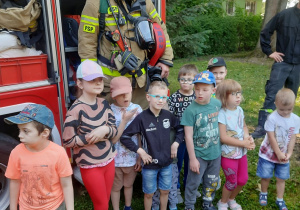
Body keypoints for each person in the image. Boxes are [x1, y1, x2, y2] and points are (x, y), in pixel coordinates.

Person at [78, 0, 174, 109]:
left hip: (140, 83)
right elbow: (87, 43)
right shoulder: (96, 3)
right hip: (112, 87)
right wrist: (91, 78)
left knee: (143, 122)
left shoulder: (145, 2)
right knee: (116, 123)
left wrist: (165, 59)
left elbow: (160, 30)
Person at [62, 60, 118, 210]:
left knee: (105, 202)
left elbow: (114, 129)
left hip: (109, 159)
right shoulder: (75, 110)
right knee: (101, 205)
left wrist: (105, 130)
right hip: (90, 165)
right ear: (80, 84)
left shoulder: (104, 103)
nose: (98, 83)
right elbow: (67, 141)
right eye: (92, 80)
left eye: (100, 80)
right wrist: (90, 137)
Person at [120, 81, 184, 210]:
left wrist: (176, 144)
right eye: (157, 97)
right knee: (149, 194)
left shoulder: (168, 115)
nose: (161, 100)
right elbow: (124, 137)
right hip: (149, 166)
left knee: (165, 191)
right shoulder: (142, 118)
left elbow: (180, 129)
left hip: (167, 163)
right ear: (148, 97)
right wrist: (141, 152)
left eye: (164, 97)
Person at [4, 104, 74, 210]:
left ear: (44, 133)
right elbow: (14, 181)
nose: (20, 135)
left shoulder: (59, 153)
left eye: (25, 131)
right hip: (26, 207)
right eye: (19, 130)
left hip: (55, 207)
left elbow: (67, 184)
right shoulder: (16, 153)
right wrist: (13, 207)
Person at [251, 2, 300, 138]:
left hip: (298, 66)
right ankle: (262, 127)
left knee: (291, 97)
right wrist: (269, 52)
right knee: (272, 95)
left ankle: (284, 127)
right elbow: (266, 31)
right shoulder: (284, 15)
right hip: (282, 63)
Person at [182, 71, 222, 210]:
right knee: (193, 182)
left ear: (213, 90)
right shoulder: (190, 110)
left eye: (205, 90)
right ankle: (189, 205)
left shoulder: (217, 104)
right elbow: (188, 136)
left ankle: (207, 202)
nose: (200, 93)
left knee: (211, 181)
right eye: (197, 89)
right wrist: (192, 159)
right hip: (199, 155)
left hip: (215, 153)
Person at [256, 88, 300, 210]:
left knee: (281, 178)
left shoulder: (295, 120)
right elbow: (271, 138)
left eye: (289, 109)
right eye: (281, 109)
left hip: (284, 156)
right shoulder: (272, 118)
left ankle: (280, 200)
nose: (285, 112)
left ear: (293, 105)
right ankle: (263, 193)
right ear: (276, 104)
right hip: (268, 155)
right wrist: (278, 153)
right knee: (266, 176)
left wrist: (289, 153)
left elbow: (292, 138)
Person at [215, 79, 255, 210]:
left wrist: (248, 138)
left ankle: (231, 199)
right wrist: (243, 143)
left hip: (241, 153)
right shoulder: (222, 113)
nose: (238, 96)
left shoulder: (240, 110)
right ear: (223, 97)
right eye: (233, 94)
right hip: (228, 154)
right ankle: (222, 202)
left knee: (242, 180)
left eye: (239, 93)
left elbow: (243, 126)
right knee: (231, 181)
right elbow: (223, 137)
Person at [109, 76, 143, 210]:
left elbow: (140, 134)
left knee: (129, 185)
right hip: (115, 159)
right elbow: (113, 140)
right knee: (115, 187)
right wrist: (124, 120)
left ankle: (128, 207)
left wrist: (140, 156)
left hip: (131, 157)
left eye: (127, 93)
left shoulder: (137, 109)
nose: (125, 97)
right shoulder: (110, 111)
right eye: (120, 95)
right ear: (113, 97)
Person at [167, 64, 199, 203]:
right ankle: (176, 188)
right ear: (178, 80)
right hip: (178, 136)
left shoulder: (197, 97)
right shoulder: (174, 97)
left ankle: (189, 186)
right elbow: (169, 115)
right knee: (177, 163)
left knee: (191, 162)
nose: (185, 82)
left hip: (194, 136)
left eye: (189, 79)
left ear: (195, 81)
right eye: (182, 79)